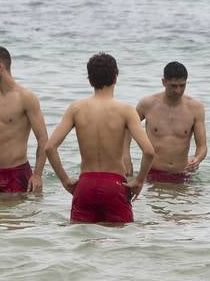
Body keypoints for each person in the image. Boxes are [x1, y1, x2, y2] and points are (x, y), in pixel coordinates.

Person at [45, 53, 155, 223]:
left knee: (82, 236)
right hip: (115, 185)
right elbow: (148, 151)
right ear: (116, 77)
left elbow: (49, 147)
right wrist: (139, 181)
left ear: (90, 80)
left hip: (85, 185)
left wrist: (65, 180)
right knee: (120, 238)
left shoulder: (76, 108)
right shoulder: (125, 110)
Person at [0, 45, 48, 194]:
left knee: (14, 210)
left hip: (16, 173)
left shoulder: (26, 97)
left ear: (1, 66)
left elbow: (43, 139)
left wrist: (37, 175)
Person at [136, 61, 207, 183]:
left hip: (182, 173)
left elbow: (202, 146)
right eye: (173, 86)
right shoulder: (147, 104)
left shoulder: (196, 108)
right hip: (153, 173)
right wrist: (125, 157)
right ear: (164, 82)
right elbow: (127, 127)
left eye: (182, 85)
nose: (178, 91)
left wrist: (197, 159)